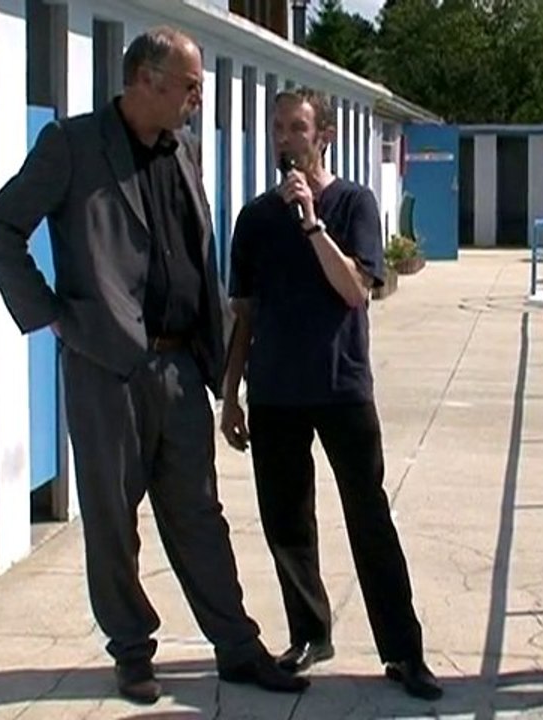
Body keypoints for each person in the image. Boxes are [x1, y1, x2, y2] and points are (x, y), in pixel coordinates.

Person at [0, 26, 307, 705]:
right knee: (112, 520)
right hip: (107, 369)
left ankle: (237, 647)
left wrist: (224, 363)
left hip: (181, 364)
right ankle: (131, 651)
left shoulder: (183, 149)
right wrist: (54, 315)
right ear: (148, 80)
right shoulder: (72, 145)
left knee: (200, 514)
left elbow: (195, 253)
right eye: (190, 86)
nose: (197, 99)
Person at [220, 87, 442, 701]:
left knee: (368, 518)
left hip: (341, 387)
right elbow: (245, 313)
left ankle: (403, 651)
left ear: (324, 136)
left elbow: (354, 291)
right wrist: (231, 393)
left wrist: (312, 222)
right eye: (277, 128)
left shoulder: (354, 203)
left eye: (297, 127)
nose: (285, 139)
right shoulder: (254, 219)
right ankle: (309, 633)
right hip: (274, 392)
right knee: (286, 522)